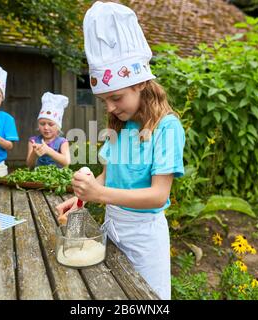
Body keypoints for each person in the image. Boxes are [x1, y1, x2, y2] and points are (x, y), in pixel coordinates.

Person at [56, 1, 185, 300]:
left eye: (116, 98)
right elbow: (108, 176)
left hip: (144, 238)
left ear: (140, 84)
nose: (110, 107)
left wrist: (99, 195)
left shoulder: (167, 128)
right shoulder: (122, 128)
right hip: (111, 229)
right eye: (104, 101)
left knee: (145, 298)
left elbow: (158, 195)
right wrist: (80, 198)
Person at [26, 92, 71, 168]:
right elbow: (30, 165)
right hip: (37, 177)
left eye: (50, 124)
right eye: (42, 124)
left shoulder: (62, 142)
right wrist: (34, 153)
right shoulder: (33, 141)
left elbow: (66, 162)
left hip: (57, 177)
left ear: (58, 126)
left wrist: (48, 150)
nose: (46, 128)